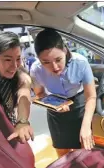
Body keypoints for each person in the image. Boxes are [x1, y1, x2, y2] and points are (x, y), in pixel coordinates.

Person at [30, 29, 96, 157]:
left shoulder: (80, 63)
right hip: (55, 110)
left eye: (58, 59)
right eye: (46, 62)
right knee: (62, 153)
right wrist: (54, 104)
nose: (55, 67)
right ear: (38, 59)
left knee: (83, 152)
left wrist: (86, 126)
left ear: (65, 50)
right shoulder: (36, 70)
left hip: (80, 105)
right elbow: (40, 94)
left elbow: (91, 96)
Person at [0, 31, 34, 144]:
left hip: (11, 129)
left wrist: (22, 122)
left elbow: (24, 96)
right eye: (7, 59)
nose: (15, 66)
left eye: (18, 58)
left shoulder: (22, 77)